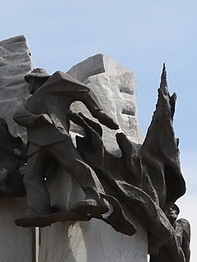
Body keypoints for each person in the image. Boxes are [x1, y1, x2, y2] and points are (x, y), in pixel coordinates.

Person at [13, 67, 120, 228]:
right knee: (31, 177)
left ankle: (96, 197)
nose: (28, 88)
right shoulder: (30, 102)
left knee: (74, 164)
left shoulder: (57, 82)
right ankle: (38, 209)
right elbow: (18, 115)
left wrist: (98, 112)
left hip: (55, 135)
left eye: (30, 82)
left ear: (36, 80)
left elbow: (84, 90)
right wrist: (36, 119)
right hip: (36, 143)